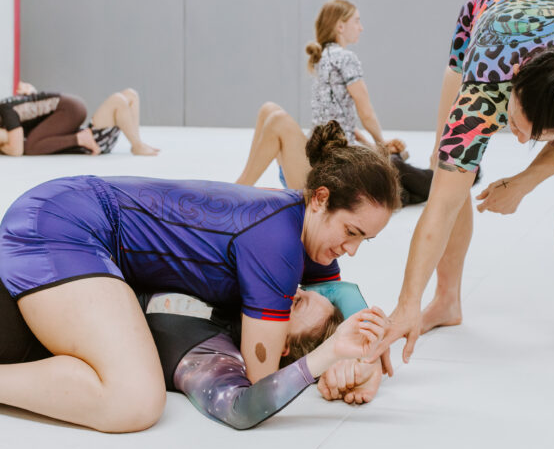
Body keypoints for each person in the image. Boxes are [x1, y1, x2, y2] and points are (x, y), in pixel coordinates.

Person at [0, 121, 399, 432]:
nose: (351, 250)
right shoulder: (277, 245)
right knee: (134, 399)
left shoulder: (305, 234)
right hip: (66, 224)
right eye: (351, 232)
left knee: (134, 393)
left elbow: (341, 293)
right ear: (320, 198)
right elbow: (258, 381)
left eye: (365, 240)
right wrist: (333, 361)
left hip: (71, 215)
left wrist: (366, 361)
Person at [374, 0, 554, 365]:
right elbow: (440, 206)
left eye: (539, 137)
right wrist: (407, 303)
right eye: (519, 125)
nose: (521, 139)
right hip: (484, 16)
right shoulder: (483, 88)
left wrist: (523, 182)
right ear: (515, 80)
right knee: (449, 166)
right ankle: (445, 300)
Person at [0, 280, 382, 429]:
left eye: (295, 303)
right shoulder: (234, 281)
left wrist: (331, 354)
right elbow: (345, 288)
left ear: (283, 347)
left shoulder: (214, 353)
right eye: (296, 287)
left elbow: (242, 408)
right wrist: (369, 359)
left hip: (17, 332)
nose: (287, 290)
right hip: (31, 281)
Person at [236, 0, 432, 206]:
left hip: (312, 164)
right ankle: (238, 191)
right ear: (340, 26)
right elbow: (366, 113)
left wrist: (374, 147)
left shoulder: (322, 58)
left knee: (269, 110)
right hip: (323, 173)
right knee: (275, 116)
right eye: (356, 21)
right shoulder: (346, 58)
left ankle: (238, 189)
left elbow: (342, 124)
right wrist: (381, 145)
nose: (361, 27)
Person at [0, 80, 159, 156]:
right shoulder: (8, 105)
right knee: (129, 95)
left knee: (31, 147)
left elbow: (16, 149)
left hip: (68, 109)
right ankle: (137, 142)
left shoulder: (6, 110)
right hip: (72, 109)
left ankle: (137, 145)